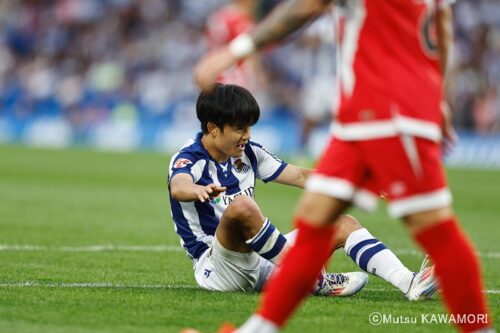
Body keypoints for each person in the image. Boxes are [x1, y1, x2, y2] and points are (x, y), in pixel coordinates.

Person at [192, 1, 494, 333]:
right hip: (361, 115)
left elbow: (304, 7)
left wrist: (234, 51)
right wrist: (439, 99)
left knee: (436, 229)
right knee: (317, 219)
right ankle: (260, 328)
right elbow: (443, 25)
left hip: (388, 110)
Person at [169, 83, 437, 299]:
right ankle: (313, 279)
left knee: (342, 223)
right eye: (240, 128)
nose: (247, 135)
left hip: (258, 260)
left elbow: (301, 175)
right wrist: (198, 190)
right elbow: (178, 186)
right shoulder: (190, 158)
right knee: (241, 207)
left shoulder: (249, 153)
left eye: (249, 127)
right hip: (216, 267)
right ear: (213, 129)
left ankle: (410, 283)